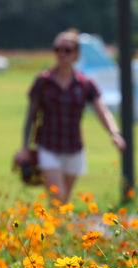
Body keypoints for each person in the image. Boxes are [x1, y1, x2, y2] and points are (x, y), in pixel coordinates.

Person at [14, 29, 126, 204]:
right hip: (48, 145)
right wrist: (25, 147)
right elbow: (31, 117)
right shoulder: (43, 81)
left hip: (74, 148)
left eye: (66, 50)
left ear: (76, 54)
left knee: (63, 201)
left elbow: (101, 110)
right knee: (57, 197)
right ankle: (55, 230)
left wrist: (114, 133)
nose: (61, 53)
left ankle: (56, 230)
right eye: (57, 49)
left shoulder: (84, 83)